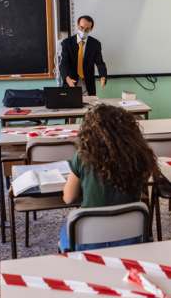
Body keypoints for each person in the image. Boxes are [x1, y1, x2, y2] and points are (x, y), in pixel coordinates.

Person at [61, 104, 159, 251]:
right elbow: (142, 181)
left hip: (90, 240)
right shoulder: (139, 156)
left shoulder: (82, 156)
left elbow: (68, 198)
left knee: (67, 227)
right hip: (130, 238)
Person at [59, 15, 107, 96]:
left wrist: (103, 76)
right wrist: (67, 78)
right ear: (77, 25)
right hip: (71, 82)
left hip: (87, 84)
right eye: (81, 27)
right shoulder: (67, 43)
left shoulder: (95, 44)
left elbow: (99, 62)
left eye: (87, 29)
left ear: (91, 29)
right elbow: (64, 62)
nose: (83, 31)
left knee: (89, 107)